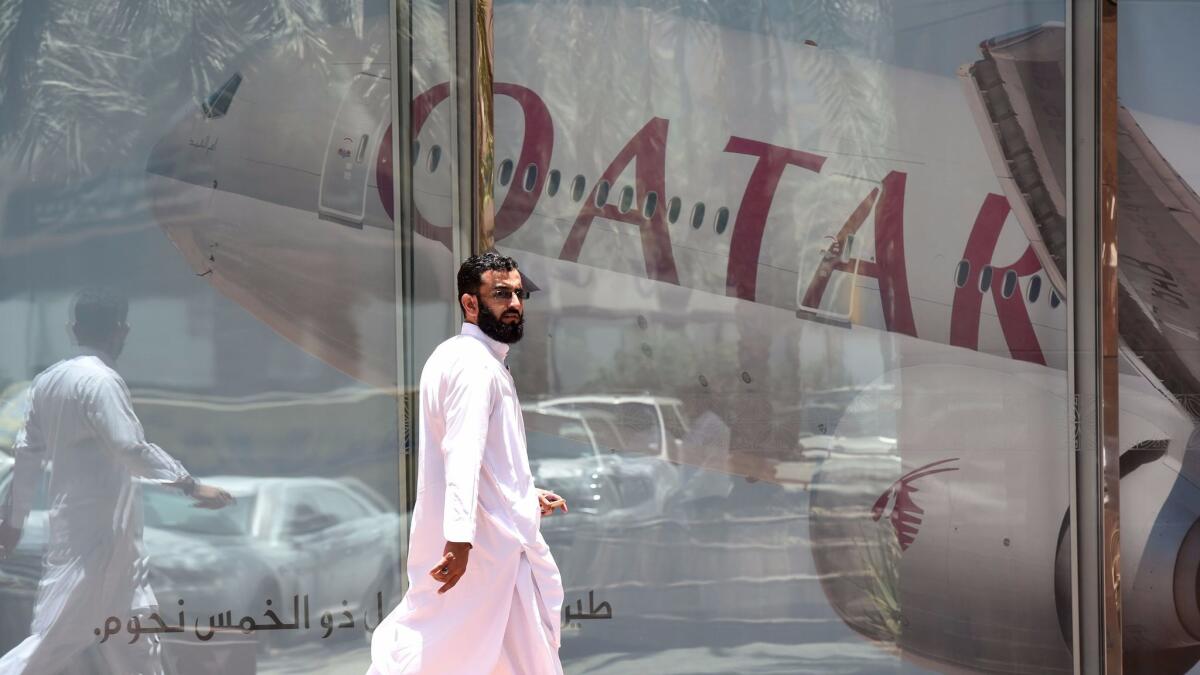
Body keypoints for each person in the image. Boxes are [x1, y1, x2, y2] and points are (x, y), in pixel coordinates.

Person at [0, 288, 233, 674]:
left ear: (73, 328)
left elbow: (26, 456)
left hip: (99, 543)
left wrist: (13, 521)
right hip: (98, 546)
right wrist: (190, 485)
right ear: (121, 330)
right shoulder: (101, 382)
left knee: (136, 647)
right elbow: (130, 448)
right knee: (50, 647)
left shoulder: (47, 383)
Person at [368, 253, 568, 675]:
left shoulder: (475, 360)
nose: (514, 303)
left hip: (497, 549)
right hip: (479, 557)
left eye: (518, 293)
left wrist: (526, 496)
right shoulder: (473, 366)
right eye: (500, 294)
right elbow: (462, 453)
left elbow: (487, 458)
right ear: (470, 304)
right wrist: (459, 541)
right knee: (440, 656)